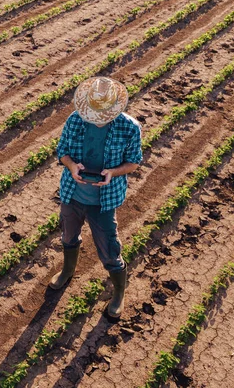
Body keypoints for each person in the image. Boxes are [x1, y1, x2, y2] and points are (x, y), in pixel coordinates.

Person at [51, 76, 142, 319]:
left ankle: (118, 294)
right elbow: (62, 152)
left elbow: (134, 161)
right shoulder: (75, 120)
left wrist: (113, 172)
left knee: (109, 248)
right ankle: (68, 271)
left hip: (104, 201)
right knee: (68, 236)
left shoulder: (129, 127)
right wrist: (71, 166)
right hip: (72, 194)